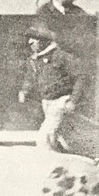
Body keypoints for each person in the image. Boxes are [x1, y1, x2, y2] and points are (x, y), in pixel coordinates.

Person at [18, 25, 79, 153]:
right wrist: (24, 90)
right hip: (46, 102)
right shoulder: (33, 60)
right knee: (61, 137)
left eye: (34, 38)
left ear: (44, 40)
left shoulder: (61, 56)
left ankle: (50, 164)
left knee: (45, 137)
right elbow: (30, 77)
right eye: (30, 39)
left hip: (61, 101)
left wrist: (73, 100)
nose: (30, 42)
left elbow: (81, 77)